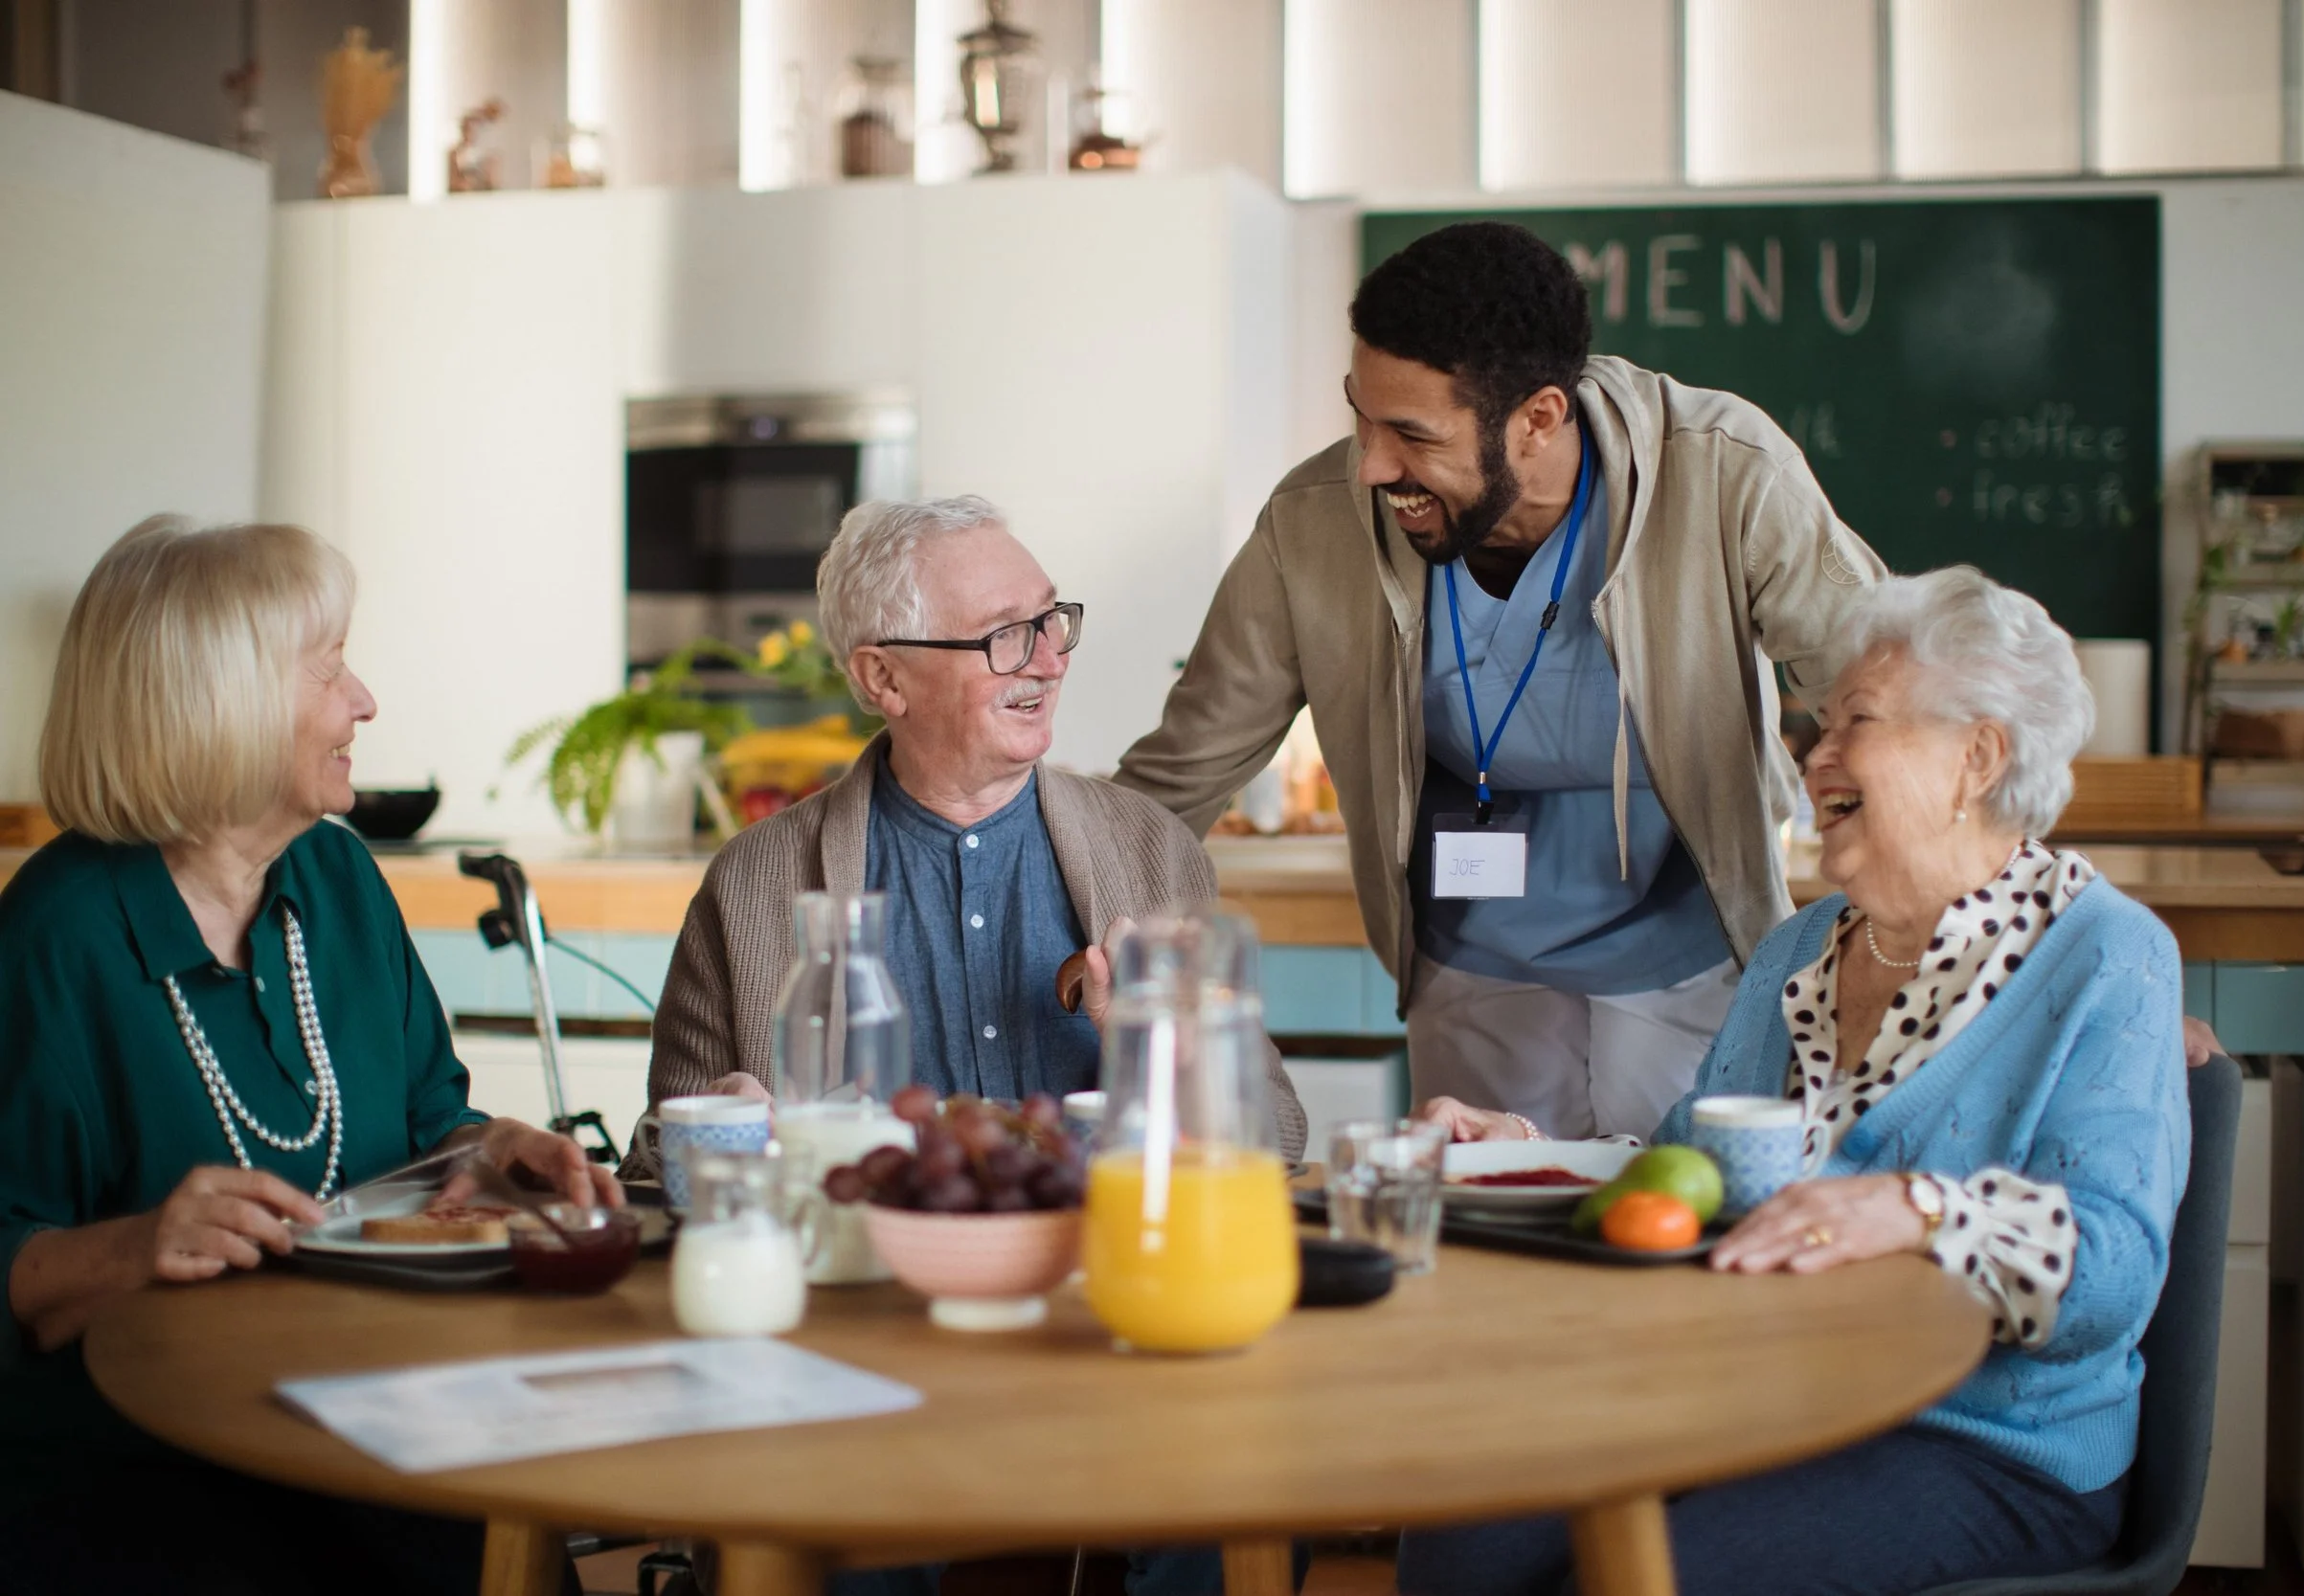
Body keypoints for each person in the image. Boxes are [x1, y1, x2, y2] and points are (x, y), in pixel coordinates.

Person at [1406, 568, 2192, 1596]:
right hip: (1762, 1394)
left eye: (1852, 719)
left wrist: (1913, 1208)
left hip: (1981, 1438)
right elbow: (1693, 1171)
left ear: (1977, 756)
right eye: (1815, 724)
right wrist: (1529, 1151)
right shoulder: (1799, 951)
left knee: (1663, 1577)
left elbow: (2116, 1268)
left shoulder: (2106, 957)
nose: (1812, 755)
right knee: (1465, 1530)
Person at [1114, 221, 1887, 1142]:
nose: (1370, 464)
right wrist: (1078, 913)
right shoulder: (1315, 525)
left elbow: (1885, 686)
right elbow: (1179, 772)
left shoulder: (1722, 471)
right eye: (1359, 415)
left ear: (1539, 419)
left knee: (1675, 1227)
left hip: (1688, 954)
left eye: (1411, 433)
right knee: (1493, 1232)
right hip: (1473, 958)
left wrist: (1890, 915)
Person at [0, 516, 613, 1596]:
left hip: (374, 1416)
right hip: (151, 1467)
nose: (365, 700)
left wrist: (489, 1152)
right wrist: (145, 1242)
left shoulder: (336, 879)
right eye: (329, 668)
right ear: (219, 701)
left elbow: (428, 1124)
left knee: (508, 1550)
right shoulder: (58, 935)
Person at [629, 494, 1307, 1159]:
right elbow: (652, 1164)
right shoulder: (751, 882)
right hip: (861, 1267)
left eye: (1050, 619)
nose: (1050, 659)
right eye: (1005, 635)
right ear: (885, 678)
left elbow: (1277, 1136)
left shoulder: (1155, 849)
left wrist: (1160, 1054)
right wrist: (715, 1127)